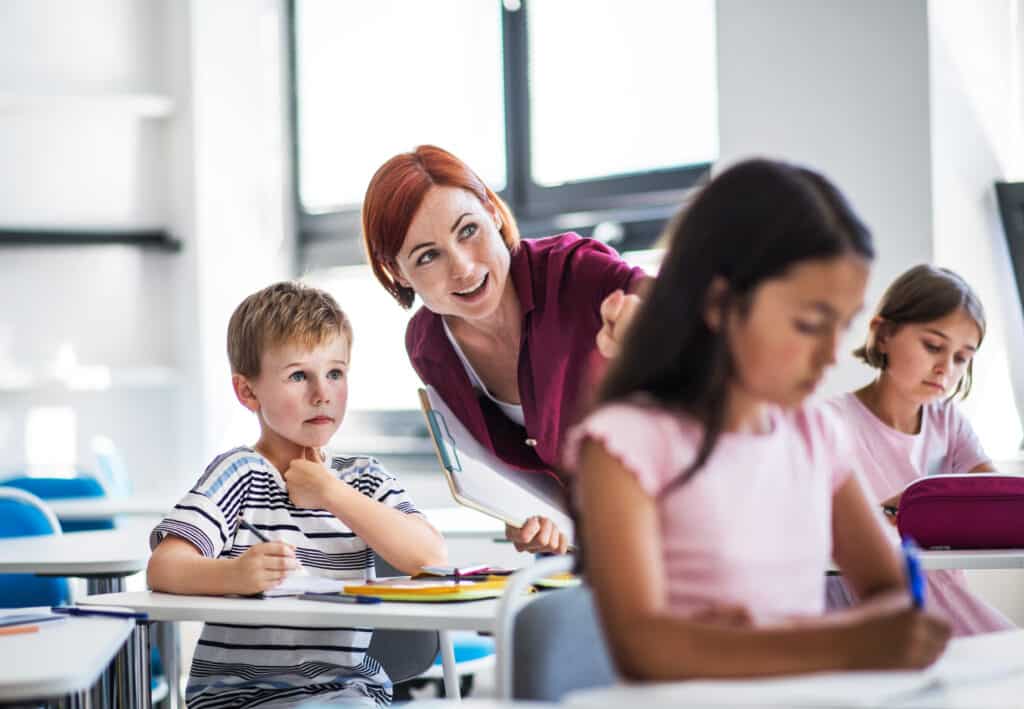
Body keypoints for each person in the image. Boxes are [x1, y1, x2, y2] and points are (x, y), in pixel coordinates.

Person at [564, 159, 951, 681]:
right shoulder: (626, 443)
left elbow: (893, 595)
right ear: (720, 303)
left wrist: (746, 644)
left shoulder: (815, 434)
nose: (831, 354)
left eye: (843, 326)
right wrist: (835, 642)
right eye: (809, 324)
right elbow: (644, 648)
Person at [147, 281, 446, 707]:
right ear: (248, 392)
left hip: (348, 692)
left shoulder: (363, 479)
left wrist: (331, 492)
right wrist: (232, 577)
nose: (322, 392)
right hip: (241, 697)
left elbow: (431, 557)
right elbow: (164, 566)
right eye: (298, 375)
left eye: (335, 373)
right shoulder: (240, 475)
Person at [361, 145, 651, 554]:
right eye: (428, 256)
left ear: (492, 212)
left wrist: (651, 321)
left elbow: (664, 299)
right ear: (397, 272)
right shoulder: (429, 347)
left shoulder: (571, 272)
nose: (461, 266)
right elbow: (517, 471)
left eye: (468, 230)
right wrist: (535, 517)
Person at [825, 264, 1014, 635]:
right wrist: (893, 509)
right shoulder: (829, 422)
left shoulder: (949, 422)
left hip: (942, 598)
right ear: (882, 334)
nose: (946, 368)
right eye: (932, 346)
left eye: (962, 357)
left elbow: (997, 504)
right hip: (858, 603)